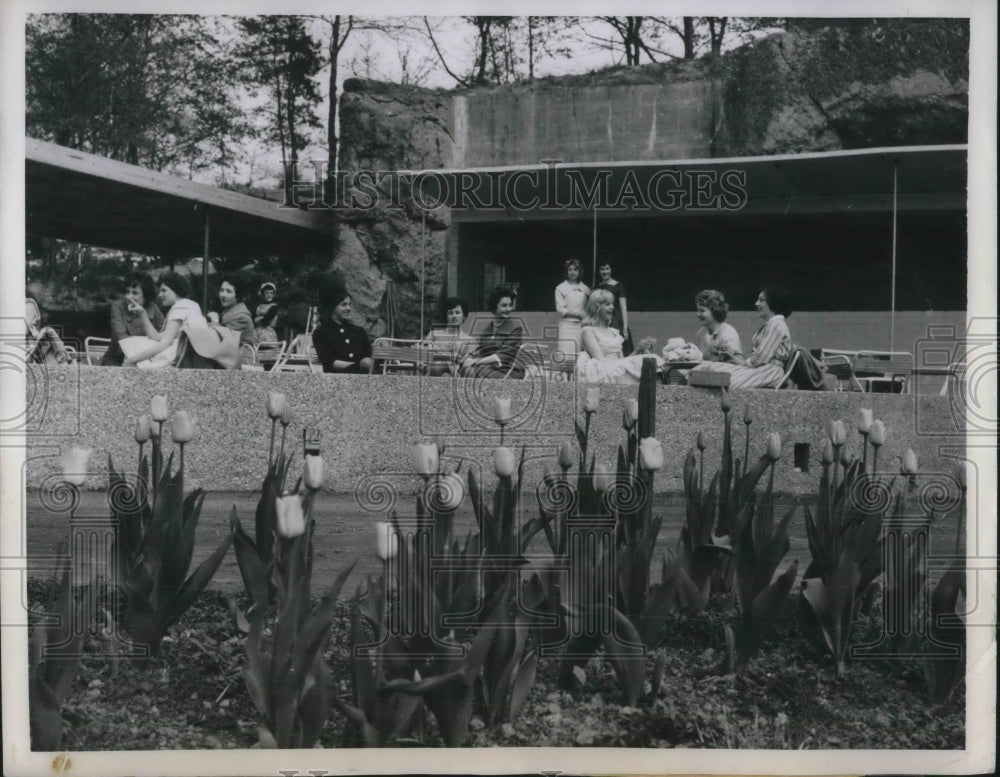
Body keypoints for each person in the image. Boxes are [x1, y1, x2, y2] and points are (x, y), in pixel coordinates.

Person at [689, 287, 794, 389]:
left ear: (774, 303)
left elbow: (760, 358)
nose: (756, 303)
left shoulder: (776, 324)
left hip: (769, 373)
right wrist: (734, 359)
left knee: (722, 379)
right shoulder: (771, 324)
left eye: (761, 300)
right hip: (763, 370)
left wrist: (741, 363)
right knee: (708, 371)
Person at [120, 271, 208, 369]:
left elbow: (164, 343)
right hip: (193, 355)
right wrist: (143, 313)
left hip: (185, 357)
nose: (160, 295)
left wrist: (131, 360)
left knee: (133, 345)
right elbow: (156, 337)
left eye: (164, 290)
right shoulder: (189, 305)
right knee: (137, 343)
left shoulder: (181, 306)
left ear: (176, 291)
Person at [576, 289, 663, 384]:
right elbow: (600, 361)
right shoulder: (588, 331)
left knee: (649, 358)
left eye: (612, 304)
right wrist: (632, 361)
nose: (612, 307)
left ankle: (660, 392)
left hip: (616, 370)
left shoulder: (614, 332)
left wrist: (638, 350)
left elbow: (622, 361)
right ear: (597, 307)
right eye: (607, 304)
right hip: (603, 371)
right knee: (646, 361)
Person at [100, 272, 165, 366]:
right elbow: (121, 336)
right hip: (117, 358)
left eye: (135, 293)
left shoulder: (153, 308)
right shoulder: (118, 307)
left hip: (146, 359)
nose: (129, 297)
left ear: (146, 295)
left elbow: (163, 335)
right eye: (127, 292)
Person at [461, 285, 523, 379]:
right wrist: (468, 357)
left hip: (510, 373)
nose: (508, 309)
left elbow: (502, 356)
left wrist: (476, 361)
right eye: (504, 305)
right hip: (490, 370)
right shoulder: (488, 329)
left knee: (474, 369)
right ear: (494, 306)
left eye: (510, 305)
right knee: (463, 368)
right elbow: (479, 349)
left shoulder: (515, 329)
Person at [312, 286, 373, 374]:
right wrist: (358, 365)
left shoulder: (359, 331)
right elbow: (329, 362)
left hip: (362, 378)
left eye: (349, 304)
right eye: (343, 304)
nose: (349, 308)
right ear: (332, 307)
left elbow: (369, 358)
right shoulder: (321, 333)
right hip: (337, 379)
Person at [423, 296, 475, 377]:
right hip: (432, 372)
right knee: (439, 370)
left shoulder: (469, 340)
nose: (454, 316)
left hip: (457, 375)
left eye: (457, 312)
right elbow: (423, 354)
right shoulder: (434, 335)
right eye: (450, 313)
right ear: (446, 316)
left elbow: (468, 363)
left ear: (464, 316)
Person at [25, 286, 72, 365]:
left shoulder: (29, 304)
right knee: (48, 333)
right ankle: (64, 362)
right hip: (30, 350)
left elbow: (24, 329)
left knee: (48, 331)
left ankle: (64, 362)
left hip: (34, 348)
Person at [694, 289, 743, 362]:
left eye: (702, 310)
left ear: (715, 311)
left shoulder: (729, 333)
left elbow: (737, 362)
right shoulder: (701, 333)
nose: (698, 314)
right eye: (697, 310)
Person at [554, 259, 590, 358]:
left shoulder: (586, 289)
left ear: (579, 271)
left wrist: (585, 319)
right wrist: (578, 314)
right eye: (570, 269)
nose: (572, 272)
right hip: (566, 326)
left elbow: (588, 309)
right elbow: (561, 309)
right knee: (566, 354)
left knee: (579, 355)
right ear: (566, 272)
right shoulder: (560, 288)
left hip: (581, 326)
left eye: (575, 269)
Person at [595, 262, 633, 354]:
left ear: (611, 270)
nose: (605, 271)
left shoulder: (618, 285)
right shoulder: (597, 286)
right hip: (601, 320)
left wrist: (624, 328)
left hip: (616, 320)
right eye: (602, 269)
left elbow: (623, 307)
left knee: (618, 348)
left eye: (607, 269)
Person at [217, 276, 256, 348]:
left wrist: (215, 321)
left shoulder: (241, 317)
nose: (223, 295)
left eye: (228, 291)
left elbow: (227, 344)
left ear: (238, 295)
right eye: (221, 290)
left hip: (241, 358)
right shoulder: (228, 311)